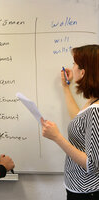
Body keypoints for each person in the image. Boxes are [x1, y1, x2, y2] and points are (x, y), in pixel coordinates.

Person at [40, 45, 99, 200]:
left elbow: (92, 165)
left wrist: (57, 138)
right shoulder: (92, 103)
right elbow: (78, 118)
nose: (72, 68)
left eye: (74, 64)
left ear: (83, 72)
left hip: (88, 192)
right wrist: (66, 87)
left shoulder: (96, 110)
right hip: (79, 188)